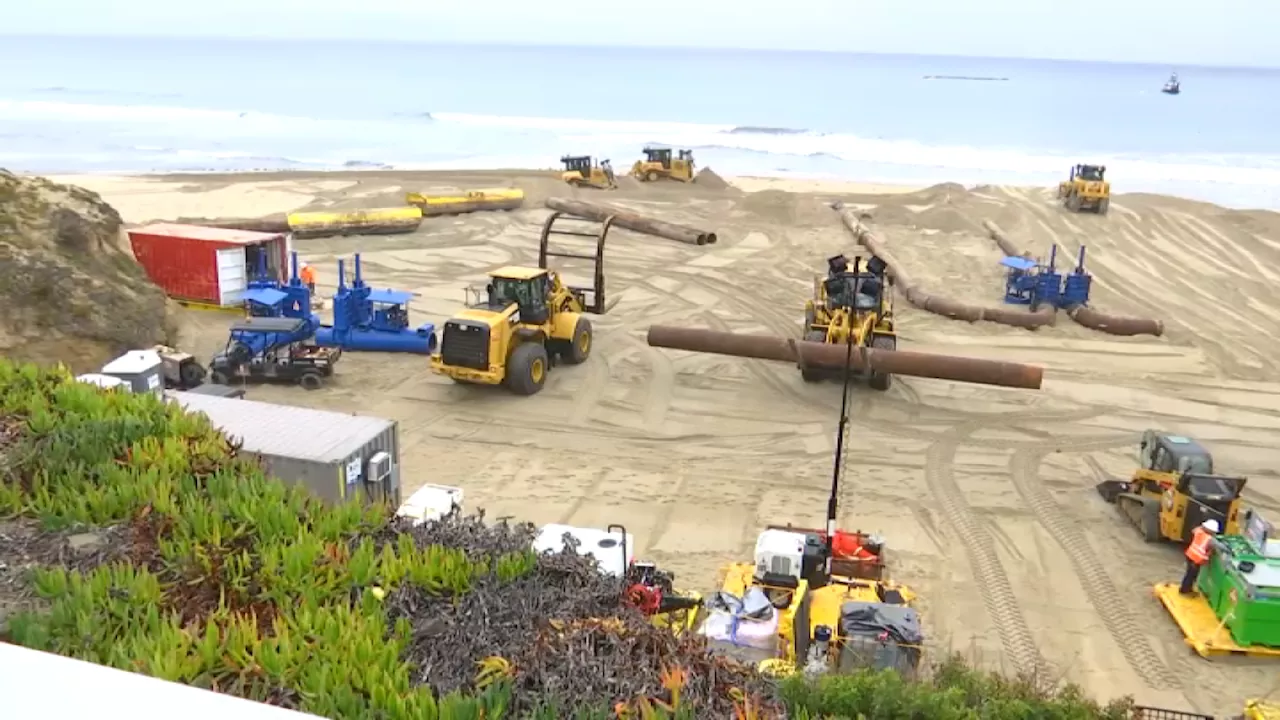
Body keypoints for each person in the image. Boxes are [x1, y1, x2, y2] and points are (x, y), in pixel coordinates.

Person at [1180, 519, 1220, 595]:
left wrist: (1203, 526)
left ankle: (1186, 589)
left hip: (1190, 555)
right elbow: (1219, 546)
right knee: (1191, 576)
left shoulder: (1199, 531)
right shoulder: (1210, 539)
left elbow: (1194, 530)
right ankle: (1185, 590)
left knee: (1189, 574)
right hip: (1196, 560)